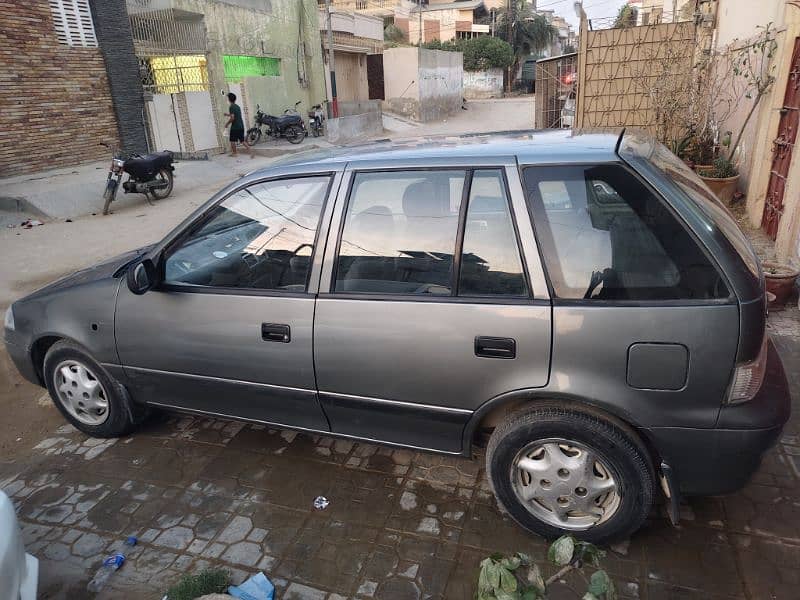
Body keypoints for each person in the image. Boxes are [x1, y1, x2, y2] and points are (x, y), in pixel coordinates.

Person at [224, 92, 253, 158]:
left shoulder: (231, 107)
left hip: (235, 127)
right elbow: (235, 115)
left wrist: (227, 124)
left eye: (227, 98)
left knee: (232, 140)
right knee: (242, 141)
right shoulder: (237, 106)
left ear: (229, 99)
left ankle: (234, 153)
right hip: (241, 126)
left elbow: (232, 118)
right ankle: (251, 152)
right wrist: (227, 114)